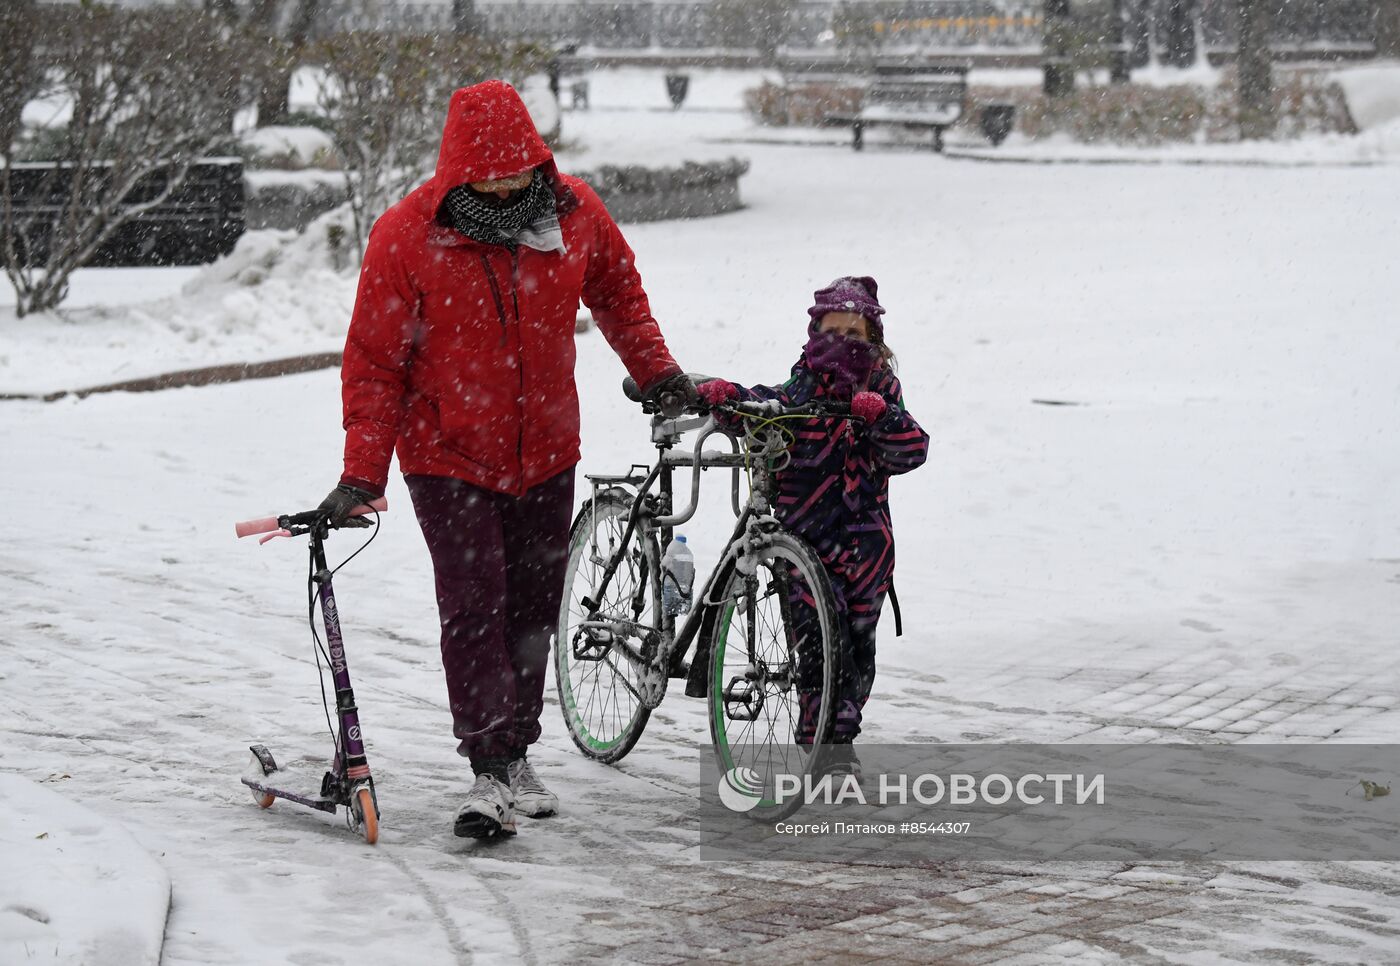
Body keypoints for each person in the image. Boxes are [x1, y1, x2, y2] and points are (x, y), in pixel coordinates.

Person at [318, 80, 695, 839]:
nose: (505, 190)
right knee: (474, 605)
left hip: (546, 448)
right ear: (458, 171)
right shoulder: (407, 236)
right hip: (447, 455)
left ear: (537, 161)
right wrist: (363, 472)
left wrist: (658, 374)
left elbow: (619, 294)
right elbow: (375, 364)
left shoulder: (573, 214)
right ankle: (489, 766)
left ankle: (517, 750)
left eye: (517, 174)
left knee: (531, 606)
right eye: (487, 179)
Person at [696, 276, 928, 778]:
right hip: (805, 538)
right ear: (814, 332)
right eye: (832, 330)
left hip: (866, 542)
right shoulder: (803, 383)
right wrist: (730, 398)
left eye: (854, 333)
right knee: (818, 642)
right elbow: (767, 404)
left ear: (874, 338)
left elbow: (913, 449)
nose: (842, 342)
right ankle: (825, 746)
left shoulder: (882, 387)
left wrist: (881, 419)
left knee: (857, 646)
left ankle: (840, 734)